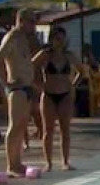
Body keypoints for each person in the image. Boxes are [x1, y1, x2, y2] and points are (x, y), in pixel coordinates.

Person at [32, 25, 85, 172]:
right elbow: (30, 68)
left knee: (65, 129)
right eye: (57, 39)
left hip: (65, 94)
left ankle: (65, 162)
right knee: (48, 131)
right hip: (48, 94)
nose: (60, 42)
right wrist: (38, 85)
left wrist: (72, 85)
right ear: (51, 39)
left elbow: (82, 71)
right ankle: (48, 162)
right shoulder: (45, 55)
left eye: (62, 39)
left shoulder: (69, 56)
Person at [0, 9, 38, 177]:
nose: (34, 26)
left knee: (21, 126)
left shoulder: (24, 39)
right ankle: (11, 165)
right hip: (17, 88)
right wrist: (6, 82)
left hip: (26, 87)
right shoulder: (12, 37)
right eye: (31, 22)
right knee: (14, 125)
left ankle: (17, 162)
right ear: (21, 20)